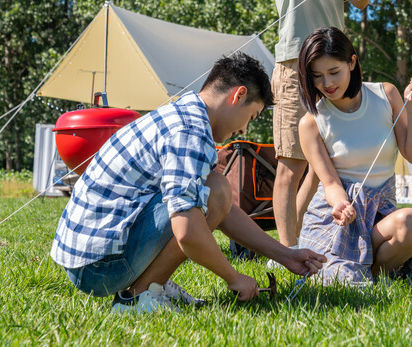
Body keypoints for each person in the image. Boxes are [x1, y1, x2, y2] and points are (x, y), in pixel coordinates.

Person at [50, 53, 326, 313]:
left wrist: (285, 255)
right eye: (250, 117)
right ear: (238, 94)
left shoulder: (184, 114)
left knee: (213, 189)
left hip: (88, 260)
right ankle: (137, 297)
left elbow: (223, 210)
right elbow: (187, 230)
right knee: (214, 189)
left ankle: (150, 283)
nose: (244, 129)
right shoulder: (190, 131)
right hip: (99, 268)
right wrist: (234, 277)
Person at [269, 0, 387, 251]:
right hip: (294, 65)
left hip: (331, 67)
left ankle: (303, 243)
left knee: (323, 167)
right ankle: (285, 253)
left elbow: (358, 0)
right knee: (291, 163)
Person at [295, 27, 412, 285]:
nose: (327, 84)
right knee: (334, 278)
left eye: (334, 72)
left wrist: (410, 107)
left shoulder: (385, 95)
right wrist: (340, 206)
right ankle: (362, 276)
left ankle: (369, 274)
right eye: (317, 76)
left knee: (410, 222)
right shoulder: (311, 123)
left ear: (352, 62)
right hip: (336, 219)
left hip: (381, 214)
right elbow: (330, 182)